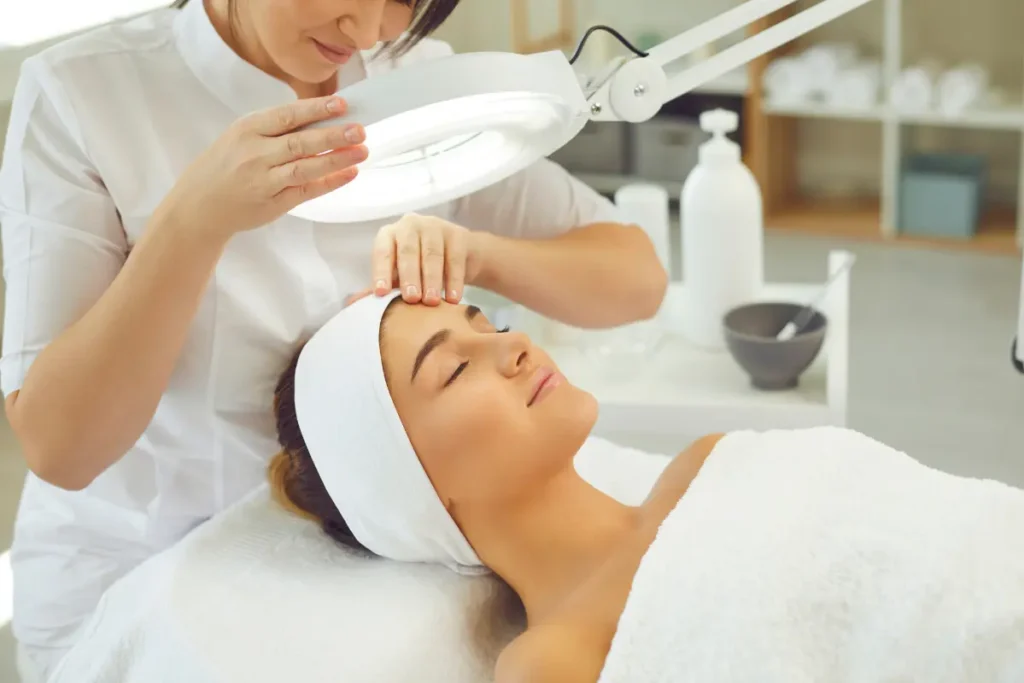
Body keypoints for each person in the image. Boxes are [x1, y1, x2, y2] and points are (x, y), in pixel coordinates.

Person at [0, 0, 668, 678]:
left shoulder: (410, 78)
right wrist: (194, 220)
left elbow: (638, 279)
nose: (370, 33)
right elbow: (62, 449)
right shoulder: (86, 95)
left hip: (362, 556)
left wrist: (477, 255)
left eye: (403, 1)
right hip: (145, 579)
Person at [269, 293, 1024, 682]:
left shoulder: (714, 462)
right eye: (455, 367)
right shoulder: (551, 662)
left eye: (487, 323)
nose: (514, 343)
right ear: (410, 484)